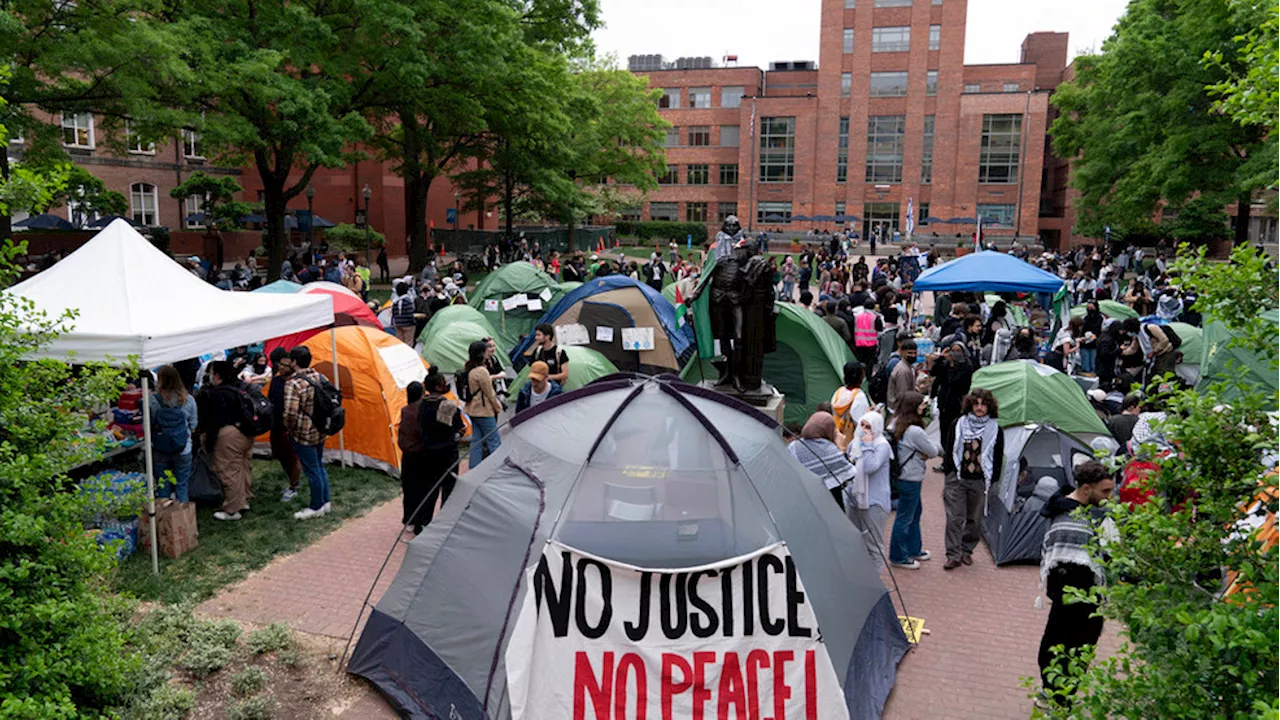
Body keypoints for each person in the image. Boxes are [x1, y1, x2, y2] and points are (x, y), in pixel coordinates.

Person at [1038, 460, 1114, 708]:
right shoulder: (1069, 515)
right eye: (1104, 491)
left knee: (1065, 648)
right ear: (1086, 488)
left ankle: (1054, 696)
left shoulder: (1094, 513)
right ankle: (1059, 701)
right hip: (1072, 595)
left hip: (1087, 596)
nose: (1109, 497)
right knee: (1067, 649)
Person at [944, 388, 1005, 570]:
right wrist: (950, 472)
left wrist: (993, 479)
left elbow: (998, 456)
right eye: (976, 403)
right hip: (958, 477)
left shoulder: (995, 429)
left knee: (975, 519)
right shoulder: (959, 424)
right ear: (970, 404)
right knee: (955, 517)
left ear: (989, 407)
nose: (979, 407)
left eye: (983, 404)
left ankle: (966, 550)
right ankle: (953, 554)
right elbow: (949, 449)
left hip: (980, 480)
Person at [197, 361, 254, 521]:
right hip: (246, 433)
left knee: (229, 471)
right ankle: (244, 499)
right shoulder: (239, 388)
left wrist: (208, 441)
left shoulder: (218, 394)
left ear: (217, 375)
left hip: (229, 436)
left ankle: (232, 509)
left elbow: (215, 421)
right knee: (243, 467)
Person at [888, 392, 940, 569]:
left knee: (914, 512)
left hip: (901, 476)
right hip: (911, 478)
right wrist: (926, 451)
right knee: (905, 517)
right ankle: (898, 556)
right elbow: (933, 451)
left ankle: (914, 548)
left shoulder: (895, 423)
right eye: (921, 404)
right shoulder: (915, 431)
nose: (923, 407)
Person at [283, 347, 331, 520]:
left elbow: (290, 412)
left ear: (294, 362)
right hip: (320, 428)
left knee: (312, 470)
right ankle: (326, 501)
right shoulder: (319, 377)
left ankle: (316, 505)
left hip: (303, 433)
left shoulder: (293, 383)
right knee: (319, 465)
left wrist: (289, 428)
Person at [847, 410, 892, 561]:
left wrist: (866, 445)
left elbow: (870, 467)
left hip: (874, 502)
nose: (864, 430)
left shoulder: (882, 446)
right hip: (855, 499)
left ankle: (875, 582)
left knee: (873, 546)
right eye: (862, 425)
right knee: (855, 541)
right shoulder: (855, 443)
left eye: (869, 427)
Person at [150, 365, 199, 503]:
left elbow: (149, 423)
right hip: (183, 447)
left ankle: (163, 520)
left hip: (160, 447)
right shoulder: (188, 399)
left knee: (162, 485)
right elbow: (194, 425)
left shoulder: (154, 401)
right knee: (182, 485)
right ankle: (181, 519)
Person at [788, 411, 855, 510]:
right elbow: (850, 474)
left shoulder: (794, 446)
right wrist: (840, 447)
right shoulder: (831, 450)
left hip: (803, 503)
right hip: (831, 506)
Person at [267, 348, 302, 501]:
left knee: (293, 457)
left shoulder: (296, 383)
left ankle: (294, 486)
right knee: (280, 455)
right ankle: (293, 481)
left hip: (290, 426)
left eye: (285, 365)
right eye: (280, 364)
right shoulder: (276, 381)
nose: (281, 367)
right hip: (276, 425)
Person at [463, 340, 503, 469]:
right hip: (483, 410)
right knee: (494, 439)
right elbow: (489, 393)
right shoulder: (482, 371)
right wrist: (498, 407)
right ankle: (496, 467)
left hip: (473, 409)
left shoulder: (470, 368)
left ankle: (474, 467)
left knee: (477, 440)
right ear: (481, 353)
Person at [830, 361, 868, 450]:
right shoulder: (859, 396)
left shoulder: (838, 392)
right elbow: (861, 422)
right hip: (850, 440)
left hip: (836, 435)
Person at [887, 338, 919, 414]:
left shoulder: (907, 366)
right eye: (910, 353)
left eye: (915, 353)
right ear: (902, 352)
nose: (913, 356)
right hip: (899, 409)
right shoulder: (903, 370)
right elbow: (903, 395)